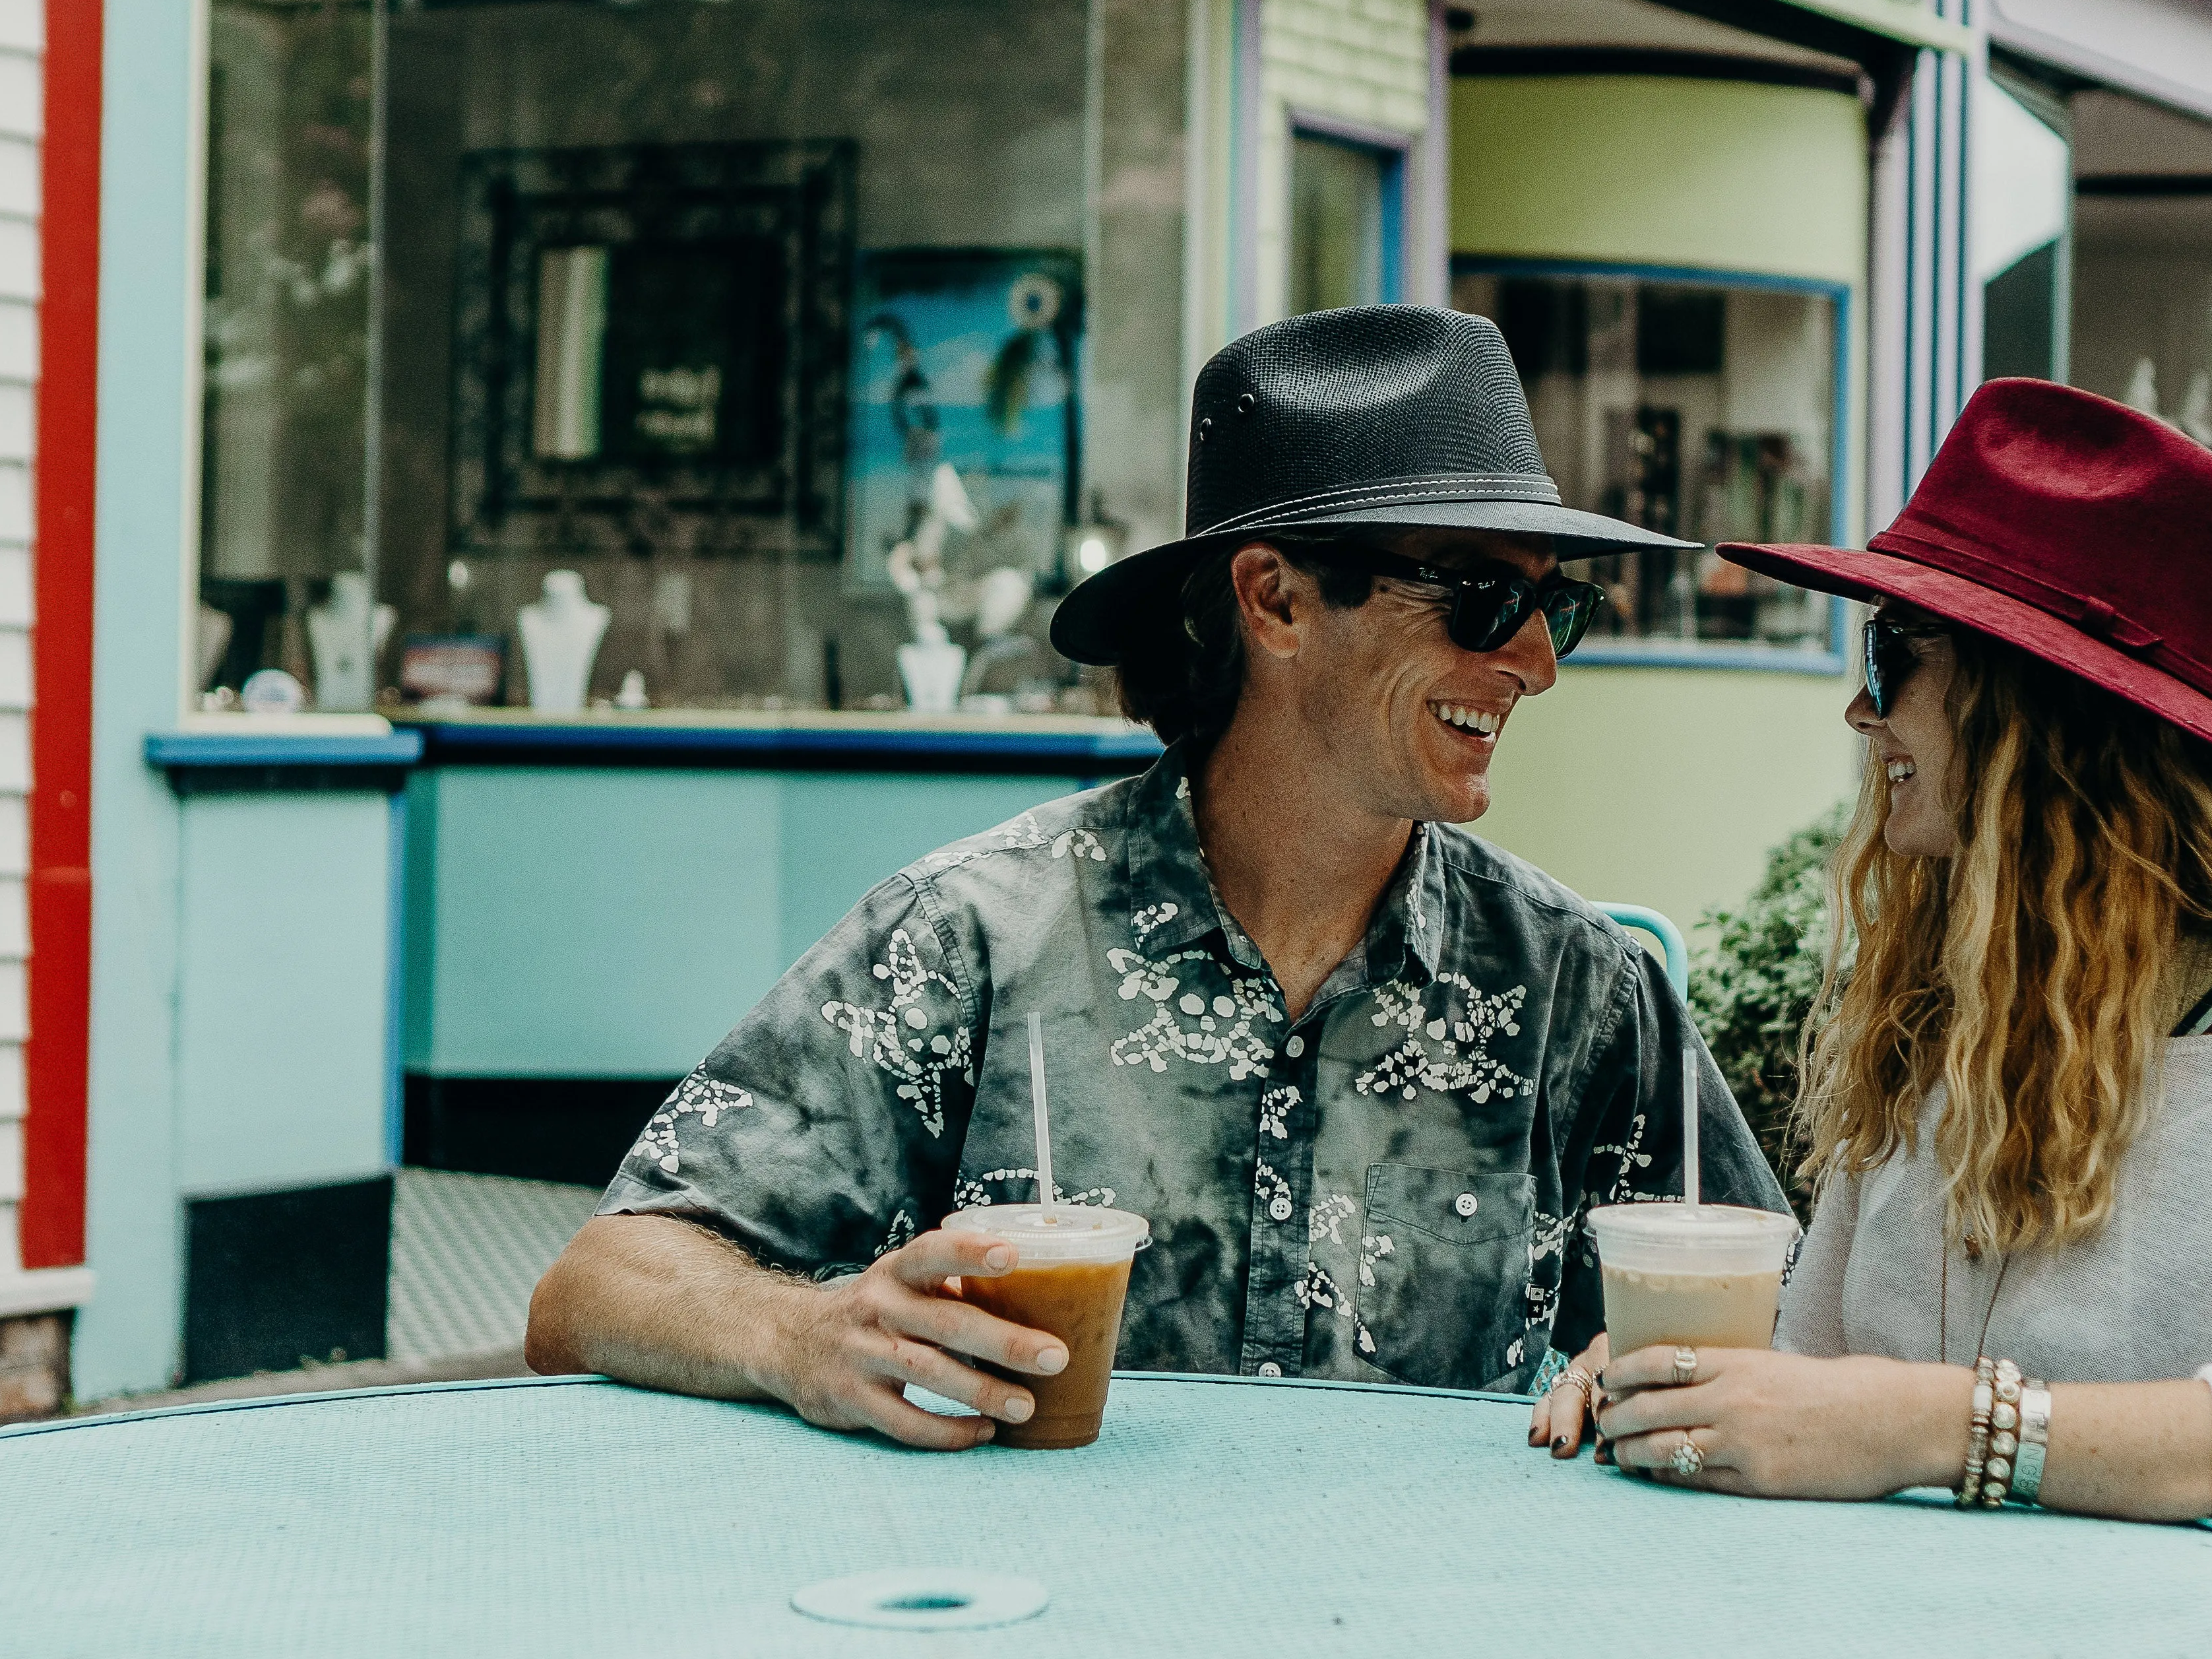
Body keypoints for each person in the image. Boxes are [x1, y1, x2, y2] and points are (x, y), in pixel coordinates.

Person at [530, 306, 1787, 1443]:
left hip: (1427, 1649)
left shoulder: (1583, 992)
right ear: (1277, 602)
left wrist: (1683, 1373)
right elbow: (598, 1287)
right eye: (1476, 598)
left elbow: (1777, 1332)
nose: (1536, 662)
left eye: (1549, 608)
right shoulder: (974, 938)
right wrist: (801, 1336)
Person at [1534, 377, 2212, 1592]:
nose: (1860, 708)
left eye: (1894, 656)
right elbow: (1822, 1377)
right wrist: (1687, 1393)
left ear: (2043, 718)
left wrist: (1951, 1427)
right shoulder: (1937, 1016)